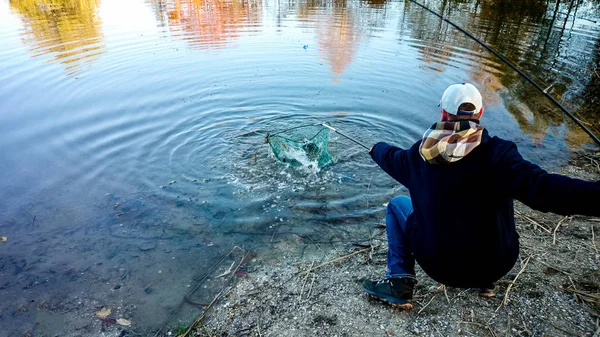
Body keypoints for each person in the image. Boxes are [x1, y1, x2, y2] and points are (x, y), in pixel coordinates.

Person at [362, 82, 600, 310]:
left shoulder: (419, 155)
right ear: (481, 113)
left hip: (440, 267)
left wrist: (375, 148)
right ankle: (484, 283)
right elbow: (545, 189)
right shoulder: (499, 155)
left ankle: (399, 281)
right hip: (496, 264)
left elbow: (392, 158)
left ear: (444, 114)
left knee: (397, 205)